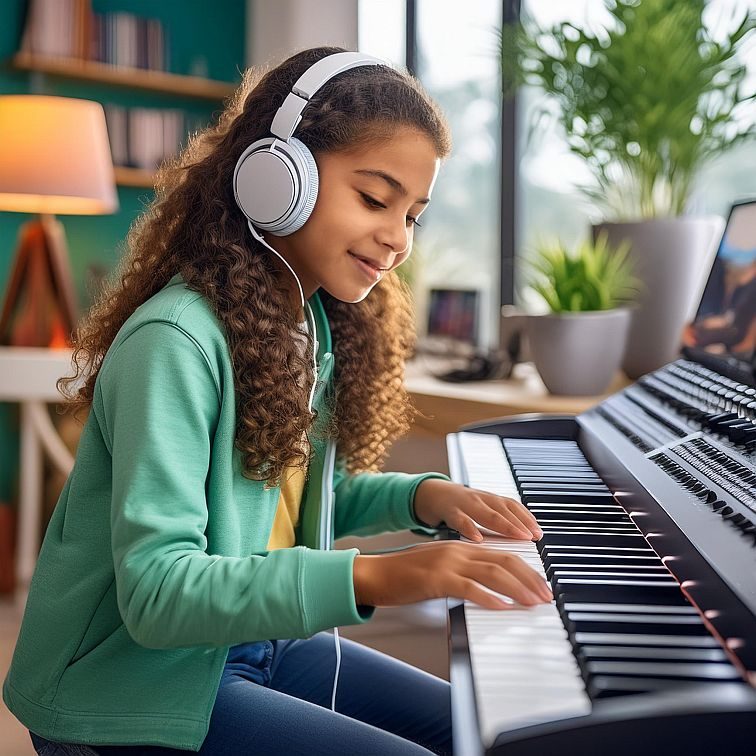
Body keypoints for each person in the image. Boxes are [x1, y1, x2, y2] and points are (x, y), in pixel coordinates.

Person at [3, 47, 551, 756]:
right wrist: (382, 573)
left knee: (488, 734)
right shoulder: (176, 341)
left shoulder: (301, 326)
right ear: (274, 175)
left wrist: (426, 499)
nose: (398, 238)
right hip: (130, 686)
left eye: (413, 214)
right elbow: (158, 593)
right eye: (376, 198)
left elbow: (290, 506)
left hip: (250, 645)